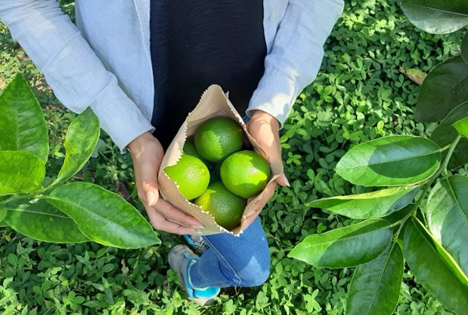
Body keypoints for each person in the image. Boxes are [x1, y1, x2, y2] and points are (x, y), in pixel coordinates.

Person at [0, 0, 344, 306]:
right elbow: (27, 5)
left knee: (244, 261)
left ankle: (195, 270)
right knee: (251, 269)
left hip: (247, 99)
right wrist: (131, 132)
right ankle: (192, 270)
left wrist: (269, 108)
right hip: (151, 115)